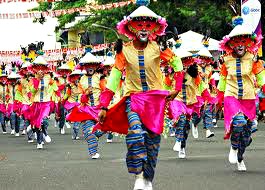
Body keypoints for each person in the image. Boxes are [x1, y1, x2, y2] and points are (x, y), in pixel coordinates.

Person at [96, 4, 183, 190]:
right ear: (130, 28)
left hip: (156, 102)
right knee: (135, 134)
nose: (143, 28)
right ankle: (138, 175)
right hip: (133, 100)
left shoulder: (158, 47)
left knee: (152, 143)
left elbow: (177, 62)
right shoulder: (123, 50)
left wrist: (177, 87)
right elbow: (114, 78)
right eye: (139, 24)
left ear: (154, 28)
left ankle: (148, 178)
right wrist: (104, 105)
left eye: (148, 25)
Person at [218, 16, 264, 171]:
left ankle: (240, 156)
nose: (239, 45)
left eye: (242, 41)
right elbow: (223, 80)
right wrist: (219, 97)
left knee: (246, 135)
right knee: (238, 123)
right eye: (236, 42)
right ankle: (233, 146)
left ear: (247, 43)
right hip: (231, 96)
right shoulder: (226, 59)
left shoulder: (253, 58)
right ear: (231, 44)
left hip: (249, 98)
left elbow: (260, 76)